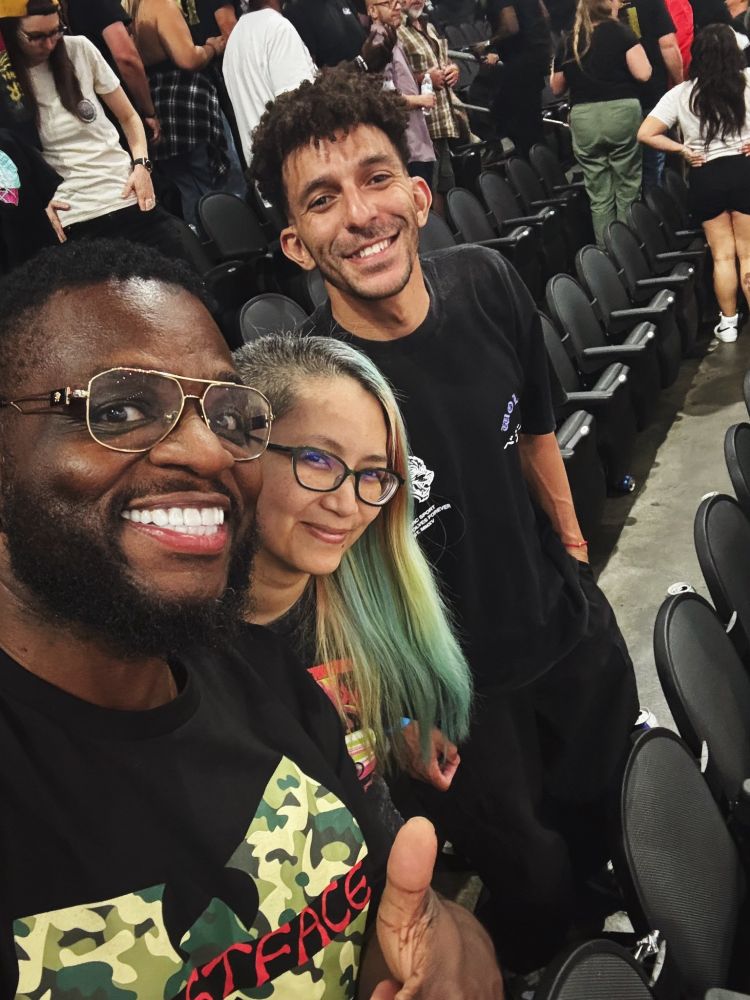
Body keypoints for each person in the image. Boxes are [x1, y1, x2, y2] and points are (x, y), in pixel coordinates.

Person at [0, 236, 504, 999]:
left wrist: (443, 951)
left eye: (229, 417)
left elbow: (397, 919)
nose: (209, 453)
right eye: (122, 408)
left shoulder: (260, 671)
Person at [250, 66, 639, 974]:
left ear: (419, 195)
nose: (360, 214)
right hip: (452, 700)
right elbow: (319, 586)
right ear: (297, 243)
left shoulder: (488, 282)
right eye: (323, 199)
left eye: (377, 178)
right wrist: (392, 714)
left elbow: (536, 430)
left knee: (618, 834)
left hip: (567, 633)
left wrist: (573, 552)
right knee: (538, 898)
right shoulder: (312, 391)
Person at [234, 334, 471, 805]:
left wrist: (387, 731)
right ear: (237, 448)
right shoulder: (178, 658)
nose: (347, 506)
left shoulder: (354, 602)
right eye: (317, 459)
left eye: (373, 474)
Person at [0, 0, 187, 256]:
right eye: (36, 37)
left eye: (56, 31)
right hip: (75, 216)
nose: (50, 44)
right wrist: (36, 205)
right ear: (11, 31)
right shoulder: (6, 78)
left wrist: (142, 166)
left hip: (129, 195)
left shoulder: (79, 49)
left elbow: (129, 116)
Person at [639, 23, 750, 342]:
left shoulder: (681, 93)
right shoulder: (748, 80)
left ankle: (728, 324)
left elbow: (645, 133)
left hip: (706, 176)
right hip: (744, 172)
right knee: (748, 254)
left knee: (722, 256)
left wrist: (682, 150)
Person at [551, 0, 651, 245]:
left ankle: (606, 255)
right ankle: (629, 250)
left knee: (598, 194)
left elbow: (556, 87)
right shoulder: (621, 33)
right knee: (627, 187)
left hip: (584, 118)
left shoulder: (570, 39)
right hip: (620, 114)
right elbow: (643, 73)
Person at [129, 0, 233, 228]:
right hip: (187, 103)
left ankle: (206, 245)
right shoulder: (160, 4)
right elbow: (188, 58)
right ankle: (234, 241)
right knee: (216, 184)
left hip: (160, 104)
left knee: (187, 190)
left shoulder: (134, 10)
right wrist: (212, 47)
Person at [222, 0, 316, 165]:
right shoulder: (277, 28)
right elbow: (298, 114)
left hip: (263, 169)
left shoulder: (235, 38)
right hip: (295, 166)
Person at [65, 0, 161, 142]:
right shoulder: (99, 3)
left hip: (89, 113)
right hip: (119, 106)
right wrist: (149, 112)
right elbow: (126, 58)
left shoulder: (65, 7)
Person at [398, 0, 461, 212]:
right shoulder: (396, 33)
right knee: (428, 194)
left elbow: (443, 61)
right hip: (421, 127)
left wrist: (453, 69)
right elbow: (396, 81)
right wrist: (425, 78)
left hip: (442, 119)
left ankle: (448, 230)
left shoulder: (429, 25)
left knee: (445, 187)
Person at [368, 0, 436, 188]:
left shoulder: (391, 38)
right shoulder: (379, 43)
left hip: (416, 139)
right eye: (388, 3)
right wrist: (421, 100)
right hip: (407, 143)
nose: (397, 7)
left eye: (397, 1)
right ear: (373, 11)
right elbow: (386, 99)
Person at [621, 0, 684, 188]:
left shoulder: (597, 6)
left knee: (625, 170)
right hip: (652, 93)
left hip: (615, 99)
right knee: (655, 163)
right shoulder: (651, 2)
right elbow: (668, 45)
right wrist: (680, 86)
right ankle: (655, 202)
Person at [482, 0, 552, 155]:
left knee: (507, 117)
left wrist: (487, 44)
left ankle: (529, 160)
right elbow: (545, 15)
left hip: (519, 63)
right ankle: (542, 161)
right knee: (533, 120)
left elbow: (511, 27)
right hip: (537, 58)